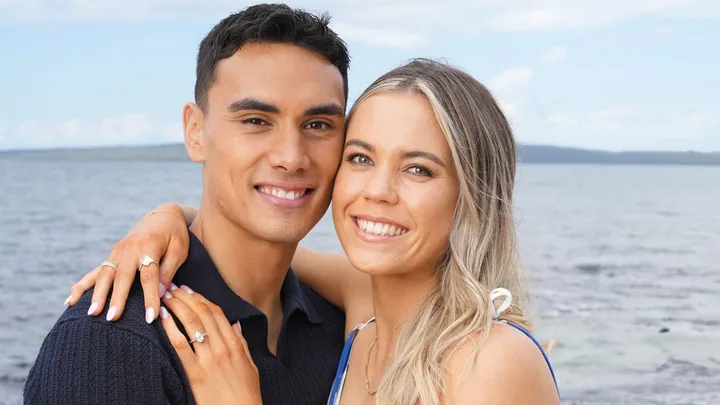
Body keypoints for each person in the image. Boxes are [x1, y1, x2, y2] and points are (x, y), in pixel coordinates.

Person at [68, 58, 560, 404]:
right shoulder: (364, 321)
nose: (377, 192)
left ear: (472, 195)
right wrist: (168, 219)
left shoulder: (488, 361)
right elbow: (257, 247)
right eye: (361, 158)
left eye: (419, 170)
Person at [24, 4, 352, 404]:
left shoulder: (344, 329)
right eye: (255, 121)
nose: (291, 156)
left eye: (318, 125)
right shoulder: (108, 341)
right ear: (195, 133)